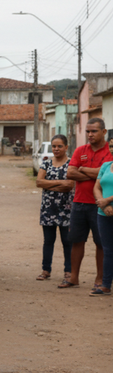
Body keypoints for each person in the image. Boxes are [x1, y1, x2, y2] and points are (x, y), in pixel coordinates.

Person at [61, 118, 113, 289]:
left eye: (94, 131)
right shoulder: (80, 150)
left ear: (104, 132)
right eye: (88, 131)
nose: (90, 135)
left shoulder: (110, 150)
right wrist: (94, 174)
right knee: (76, 240)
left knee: (102, 243)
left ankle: (100, 279)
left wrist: (83, 169)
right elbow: (70, 172)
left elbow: (104, 172)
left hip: (101, 205)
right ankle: (73, 277)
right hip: (79, 203)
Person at [35, 135, 74, 282]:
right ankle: (46, 270)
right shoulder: (46, 163)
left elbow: (69, 185)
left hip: (66, 208)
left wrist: (49, 183)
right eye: (54, 146)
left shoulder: (71, 164)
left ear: (66, 147)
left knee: (67, 241)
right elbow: (39, 182)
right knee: (48, 240)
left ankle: (68, 271)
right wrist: (60, 183)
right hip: (48, 209)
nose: (56, 149)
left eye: (59, 146)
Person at [92, 137, 113, 296]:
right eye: (111, 146)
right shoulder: (106, 166)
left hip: (107, 207)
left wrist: (108, 200)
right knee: (107, 249)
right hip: (103, 213)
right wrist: (103, 204)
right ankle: (105, 284)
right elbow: (97, 187)